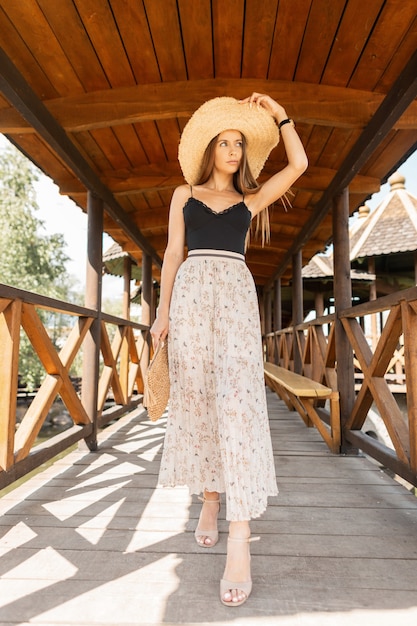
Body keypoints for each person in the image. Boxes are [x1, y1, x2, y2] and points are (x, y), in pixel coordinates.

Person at [150, 93, 308, 606]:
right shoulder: (183, 194)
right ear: (210, 150)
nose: (234, 150)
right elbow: (174, 253)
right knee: (198, 401)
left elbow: (300, 164)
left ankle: (239, 539)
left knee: (238, 404)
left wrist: (280, 115)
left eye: (240, 143)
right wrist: (162, 311)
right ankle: (211, 500)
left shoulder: (250, 202)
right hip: (191, 300)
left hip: (237, 304)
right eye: (226, 142)